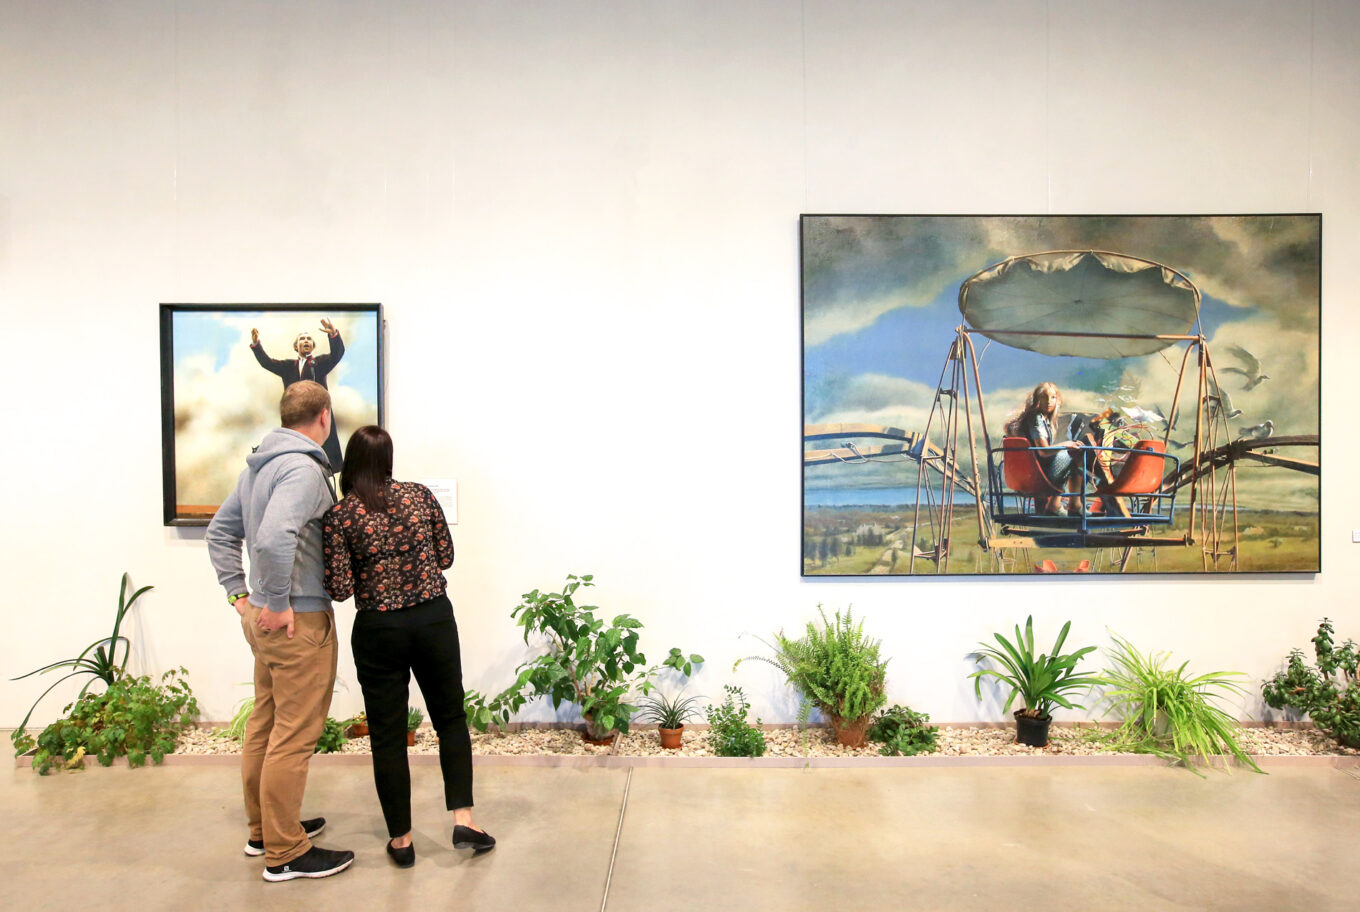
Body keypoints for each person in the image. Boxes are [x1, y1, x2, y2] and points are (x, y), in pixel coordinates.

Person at [322, 426, 494, 868]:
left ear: (351, 462)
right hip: (433, 618)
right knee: (450, 718)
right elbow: (446, 557)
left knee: (387, 735)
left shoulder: (341, 516)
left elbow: (339, 588)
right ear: (388, 459)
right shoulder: (419, 497)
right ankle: (464, 820)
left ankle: (401, 840)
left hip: (379, 629)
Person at [206, 380, 354, 883]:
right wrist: (274, 602)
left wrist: (240, 596)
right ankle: (286, 852)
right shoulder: (303, 469)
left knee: (266, 726)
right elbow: (272, 539)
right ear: (324, 416)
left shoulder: (259, 467)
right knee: (293, 736)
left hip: (267, 625)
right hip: (297, 624)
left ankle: (265, 831)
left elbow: (220, 532)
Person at [250, 319, 345, 471]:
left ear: (313, 346)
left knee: (321, 458)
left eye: (309, 339)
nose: (306, 341)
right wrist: (256, 345)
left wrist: (333, 334)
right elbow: (267, 363)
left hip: (316, 415)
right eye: (302, 339)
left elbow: (336, 354)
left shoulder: (320, 363)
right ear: (296, 346)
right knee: (295, 454)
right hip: (296, 417)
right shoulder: (288, 367)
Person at [1005, 381, 1088, 515]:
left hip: (1033, 471)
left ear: (1057, 400)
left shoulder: (1042, 419)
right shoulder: (1036, 419)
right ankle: (1067, 505)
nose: (1049, 401)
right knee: (1075, 453)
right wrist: (1067, 444)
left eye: (1053, 397)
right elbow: (1043, 451)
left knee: (1073, 453)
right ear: (1037, 399)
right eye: (1044, 397)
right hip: (1038, 474)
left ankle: (1066, 504)